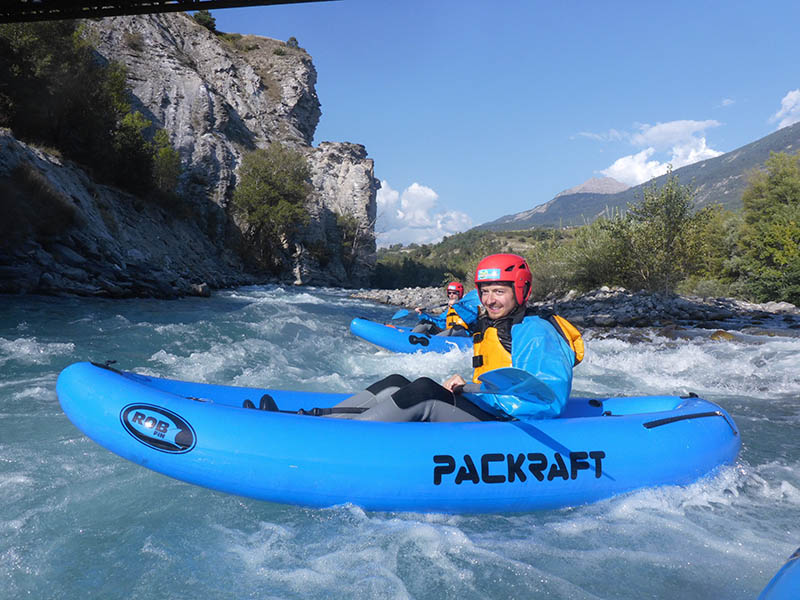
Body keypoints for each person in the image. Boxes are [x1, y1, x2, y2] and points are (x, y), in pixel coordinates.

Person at [320, 253, 584, 422]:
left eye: (499, 292)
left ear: (519, 290)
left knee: (425, 391)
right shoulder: (490, 323)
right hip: (491, 407)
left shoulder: (537, 332)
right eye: (485, 292)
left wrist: (475, 393)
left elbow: (546, 402)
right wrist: (473, 391)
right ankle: (321, 419)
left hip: (508, 424)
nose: (490, 300)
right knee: (396, 382)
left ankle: (346, 437)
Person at [412, 281, 480, 337]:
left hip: (466, 334)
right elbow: (439, 323)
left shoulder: (470, 305)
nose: (451, 295)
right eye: (449, 293)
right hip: (450, 333)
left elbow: (470, 318)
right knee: (425, 323)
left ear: (460, 293)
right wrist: (422, 315)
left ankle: (435, 342)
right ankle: (411, 337)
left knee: (457, 328)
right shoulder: (449, 310)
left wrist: (456, 305)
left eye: (454, 293)